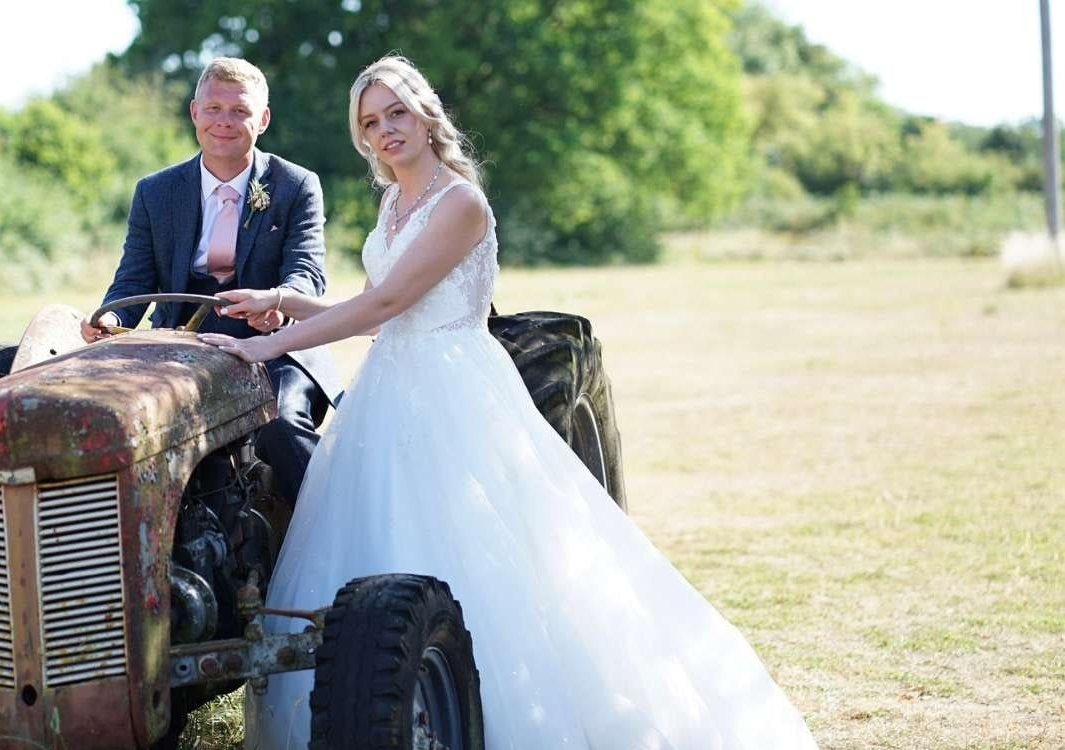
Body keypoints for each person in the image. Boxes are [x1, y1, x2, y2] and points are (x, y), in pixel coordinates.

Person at [199, 55, 820, 749]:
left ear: (425, 113)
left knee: (481, 553)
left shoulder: (458, 202)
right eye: (370, 122)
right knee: (376, 538)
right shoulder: (393, 202)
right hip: (390, 389)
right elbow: (382, 316)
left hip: (453, 388)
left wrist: (263, 348)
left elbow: (391, 299)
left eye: (395, 113)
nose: (384, 131)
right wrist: (282, 302)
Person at [84, 57, 339, 503]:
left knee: (277, 424)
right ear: (194, 113)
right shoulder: (155, 191)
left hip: (275, 348)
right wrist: (109, 319)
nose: (225, 121)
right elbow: (133, 278)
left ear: (262, 119)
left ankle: (336, 527)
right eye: (214, 108)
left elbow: (307, 270)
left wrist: (280, 307)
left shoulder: (296, 185)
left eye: (239, 111)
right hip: (180, 344)